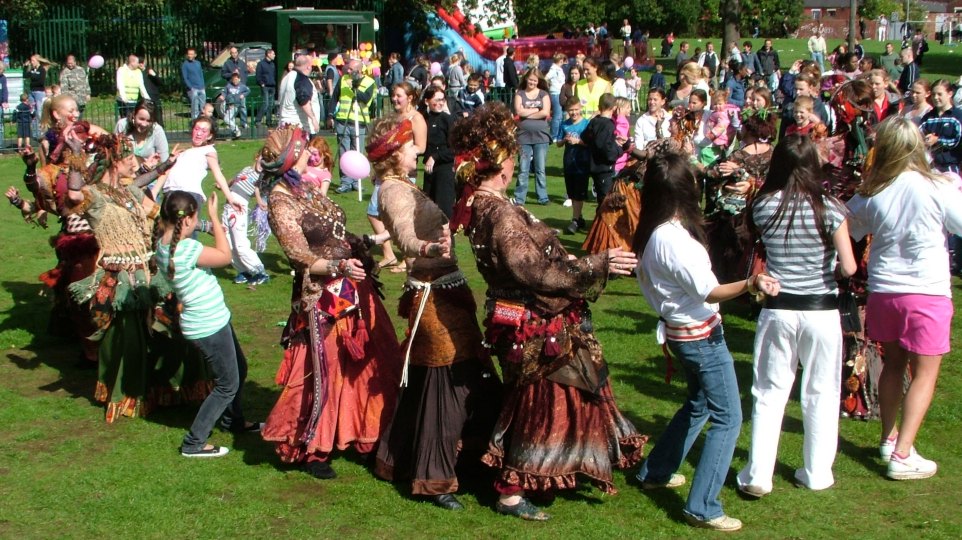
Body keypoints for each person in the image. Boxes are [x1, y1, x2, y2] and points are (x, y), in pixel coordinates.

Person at [449, 102, 645, 521]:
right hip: (534, 322)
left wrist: (582, 263)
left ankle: (587, 460)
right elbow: (535, 272)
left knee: (576, 391)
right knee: (538, 403)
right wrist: (598, 263)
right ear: (499, 160)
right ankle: (511, 492)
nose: (516, 157)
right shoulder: (498, 213)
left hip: (527, 316)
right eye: (511, 152)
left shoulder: (484, 206)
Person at [633, 151, 780, 532]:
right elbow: (709, 290)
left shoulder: (655, 232)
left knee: (698, 405)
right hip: (699, 337)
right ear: (685, 190)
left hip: (684, 333)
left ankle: (655, 471)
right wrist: (751, 283)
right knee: (729, 418)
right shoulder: (673, 240)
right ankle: (703, 506)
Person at [366, 115, 501, 510]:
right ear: (394, 154)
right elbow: (407, 234)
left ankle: (404, 454)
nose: (416, 150)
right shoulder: (392, 190)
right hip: (432, 300)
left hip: (447, 292)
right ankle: (436, 479)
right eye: (410, 145)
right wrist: (426, 249)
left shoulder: (404, 184)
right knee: (447, 385)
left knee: (434, 382)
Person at [736, 135, 857, 497]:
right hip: (820, 310)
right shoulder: (831, 208)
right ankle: (817, 471)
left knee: (769, 392)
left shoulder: (764, 206)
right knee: (821, 391)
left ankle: (759, 474)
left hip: (779, 308)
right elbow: (849, 267)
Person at [846, 116, 962, 480]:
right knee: (924, 373)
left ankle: (889, 437)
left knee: (893, 365)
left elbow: (847, 224)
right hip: (925, 291)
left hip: (885, 291)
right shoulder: (937, 186)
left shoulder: (872, 190)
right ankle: (903, 452)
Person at [153, 191, 261, 458]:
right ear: (187, 219)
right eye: (196, 217)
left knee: (240, 369)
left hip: (212, 319)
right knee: (227, 385)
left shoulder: (164, 244)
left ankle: (233, 421)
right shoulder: (187, 249)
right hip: (208, 325)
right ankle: (194, 442)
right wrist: (214, 217)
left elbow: (194, 235)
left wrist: (207, 223)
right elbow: (225, 256)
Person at [367, 82, 427, 275]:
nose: (394, 99)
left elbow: (421, 146)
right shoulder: (393, 118)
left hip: (404, 171)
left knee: (401, 217)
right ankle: (388, 253)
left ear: (410, 97)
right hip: (385, 171)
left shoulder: (416, 118)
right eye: (393, 95)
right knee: (374, 212)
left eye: (398, 95)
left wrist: (401, 153)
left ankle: (407, 256)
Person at [163, 116, 234, 208]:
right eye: (196, 129)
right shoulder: (183, 152)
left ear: (209, 136)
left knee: (185, 221)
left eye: (204, 131)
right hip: (170, 192)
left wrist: (230, 198)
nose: (199, 133)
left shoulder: (208, 150)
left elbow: (218, 174)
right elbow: (166, 172)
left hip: (189, 193)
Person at [330, 59, 376, 193]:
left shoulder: (369, 82)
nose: (347, 71)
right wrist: (330, 114)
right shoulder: (343, 79)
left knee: (357, 153)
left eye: (351, 69)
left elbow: (365, 98)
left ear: (359, 70)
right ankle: (345, 182)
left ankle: (357, 180)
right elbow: (335, 97)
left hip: (359, 122)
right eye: (347, 69)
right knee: (344, 153)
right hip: (343, 121)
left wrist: (353, 88)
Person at [222, 160, 269, 285]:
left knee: (240, 244)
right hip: (228, 205)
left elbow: (258, 189)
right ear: (257, 157)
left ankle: (260, 271)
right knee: (227, 242)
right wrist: (224, 184)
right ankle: (243, 271)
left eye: (268, 161)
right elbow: (234, 180)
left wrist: (259, 200)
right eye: (262, 157)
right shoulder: (247, 168)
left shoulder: (262, 176)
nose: (263, 161)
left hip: (239, 206)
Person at [513, 68, 552, 206]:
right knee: (523, 168)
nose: (532, 82)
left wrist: (527, 112)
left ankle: (542, 197)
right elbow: (518, 111)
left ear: (539, 81)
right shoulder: (520, 94)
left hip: (541, 136)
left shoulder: (544, 94)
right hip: (523, 137)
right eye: (530, 79)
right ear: (526, 79)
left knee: (540, 168)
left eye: (535, 80)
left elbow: (545, 112)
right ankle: (519, 198)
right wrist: (536, 110)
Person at [559, 97, 591, 234]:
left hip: (582, 163)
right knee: (571, 192)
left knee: (579, 193)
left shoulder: (586, 124)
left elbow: (590, 143)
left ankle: (575, 220)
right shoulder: (564, 124)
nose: (574, 113)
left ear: (581, 109)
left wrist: (578, 141)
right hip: (569, 162)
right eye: (571, 110)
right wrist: (564, 140)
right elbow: (558, 143)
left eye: (576, 110)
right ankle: (580, 218)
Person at [114, 100, 170, 172]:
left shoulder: (157, 131)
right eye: (141, 119)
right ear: (134, 115)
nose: (144, 124)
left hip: (149, 175)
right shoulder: (122, 125)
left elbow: (164, 162)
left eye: (149, 121)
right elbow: (113, 154)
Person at [920, 79, 962, 173]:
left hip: (949, 167)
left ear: (950, 94)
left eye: (939, 94)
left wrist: (938, 140)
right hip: (928, 167)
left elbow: (957, 141)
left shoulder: (957, 116)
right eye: (933, 94)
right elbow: (917, 134)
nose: (935, 97)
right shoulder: (928, 117)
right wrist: (924, 141)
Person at [278, 55, 320, 135]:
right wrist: (313, 119)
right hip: (299, 127)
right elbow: (304, 101)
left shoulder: (287, 77)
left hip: (284, 125)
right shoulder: (302, 79)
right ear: (308, 67)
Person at [115, 54, 149, 120]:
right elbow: (120, 85)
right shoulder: (121, 70)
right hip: (123, 101)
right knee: (126, 119)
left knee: (133, 119)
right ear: (132, 62)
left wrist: (147, 98)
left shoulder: (138, 72)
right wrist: (124, 98)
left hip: (134, 101)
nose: (138, 64)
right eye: (137, 62)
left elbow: (141, 86)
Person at [221, 73, 250, 138]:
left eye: (236, 79)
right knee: (231, 119)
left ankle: (236, 130)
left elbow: (248, 90)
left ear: (239, 79)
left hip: (235, 105)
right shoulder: (228, 85)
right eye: (233, 80)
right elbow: (224, 92)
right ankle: (234, 134)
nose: (235, 81)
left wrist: (243, 95)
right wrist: (223, 96)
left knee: (226, 119)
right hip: (228, 105)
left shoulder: (242, 86)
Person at [546, 53, 567, 141]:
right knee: (557, 115)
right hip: (556, 93)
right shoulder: (554, 69)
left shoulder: (559, 69)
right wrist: (549, 86)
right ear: (561, 60)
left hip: (560, 93)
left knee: (561, 115)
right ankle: (553, 136)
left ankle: (559, 134)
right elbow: (546, 77)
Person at [181, 48, 206, 120]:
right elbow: (185, 78)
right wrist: (191, 88)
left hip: (201, 87)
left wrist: (203, 85)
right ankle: (194, 122)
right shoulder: (185, 65)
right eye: (189, 54)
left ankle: (203, 120)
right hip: (193, 89)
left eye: (191, 54)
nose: (190, 55)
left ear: (195, 55)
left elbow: (201, 74)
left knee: (203, 107)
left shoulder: (198, 63)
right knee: (195, 107)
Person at [255, 49, 277, 127]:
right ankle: (258, 120)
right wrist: (262, 83)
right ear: (268, 54)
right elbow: (258, 75)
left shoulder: (272, 64)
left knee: (271, 105)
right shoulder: (261, 64)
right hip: (265, 86)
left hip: (272, 86)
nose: (274, 55)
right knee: (266, 104)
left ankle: (269, 121)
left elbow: (273, 75)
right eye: (273, 54)